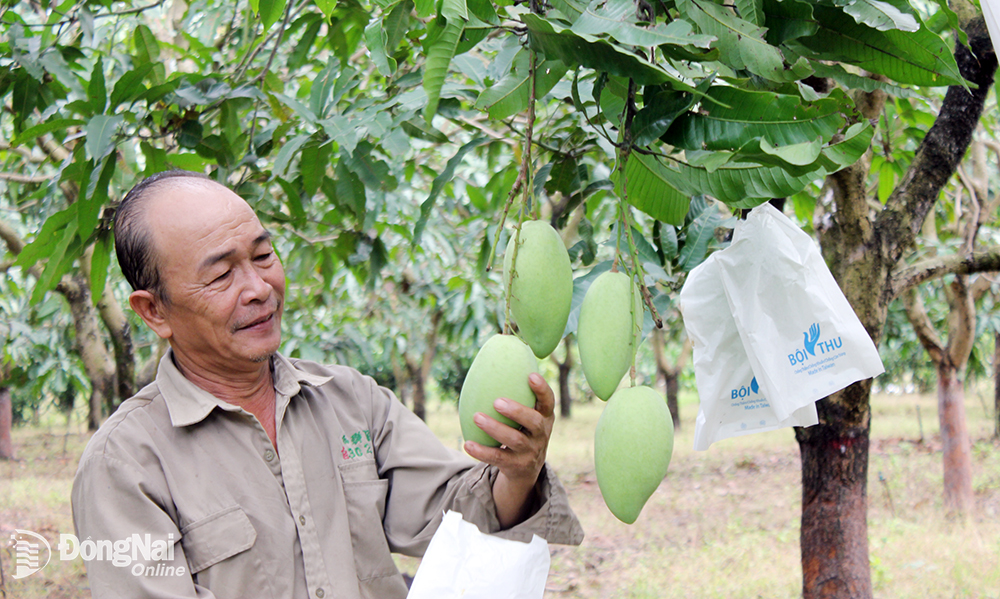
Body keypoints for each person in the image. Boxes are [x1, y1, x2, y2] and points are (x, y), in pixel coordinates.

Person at [71, 170, 583, 599]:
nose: (259, 288)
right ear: (154, 310)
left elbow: (459, 521)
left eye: (264, 255)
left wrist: (517, 473)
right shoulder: (125, 466)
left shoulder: (351, 401)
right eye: (222, 275)